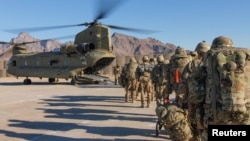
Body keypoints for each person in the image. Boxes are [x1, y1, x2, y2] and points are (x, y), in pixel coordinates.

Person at [196, 36, 250, 140]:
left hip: (215, 117)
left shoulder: (208, 62)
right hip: (245, 117)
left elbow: (196, 95)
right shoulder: (246, 60)